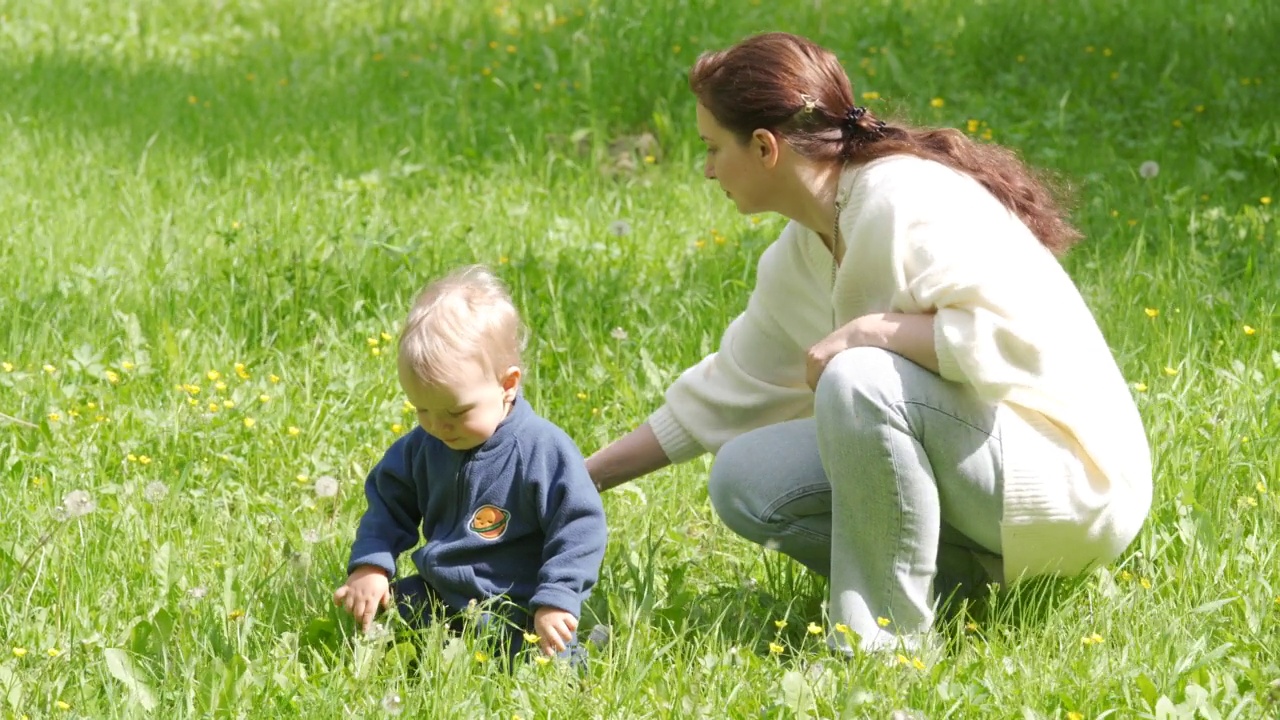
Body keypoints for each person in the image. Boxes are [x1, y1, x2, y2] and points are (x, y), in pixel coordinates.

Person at [585, 32, 1151, 654]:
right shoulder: (804, 249)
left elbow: (1020, 339)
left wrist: (872, 333)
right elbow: (721, 396)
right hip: (988, 488)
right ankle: (960, 591)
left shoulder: (905, 198)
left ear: (766, 147)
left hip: (1074, 487)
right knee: (743, 476)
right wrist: (573, 483)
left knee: (860, 377)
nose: (708, 168)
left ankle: (882, 648)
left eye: (713, 147)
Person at [334, 265, 608, 660]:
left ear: (507, 384)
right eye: (421, 409)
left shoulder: (541, 450)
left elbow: (578, 526)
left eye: (456, 411)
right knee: (378, 617)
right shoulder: (421, 447)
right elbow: (387, 506)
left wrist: (557, 598)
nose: (438, 426)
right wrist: (371, 566)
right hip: (440, 592)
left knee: (550, 659)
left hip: (518, 604)